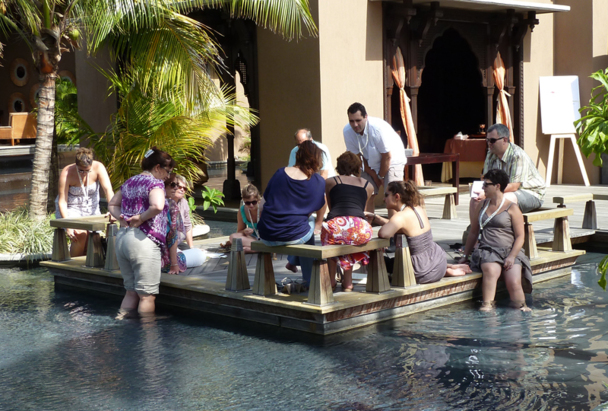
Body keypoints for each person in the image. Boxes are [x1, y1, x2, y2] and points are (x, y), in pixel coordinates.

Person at [108, 147, 176, 317]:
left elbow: (112, 205)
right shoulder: (155, 183)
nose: (168, 176)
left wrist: (122, 219)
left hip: (123, 239)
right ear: (157, 168)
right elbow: (158, 206)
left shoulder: (130, 181)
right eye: (167, 171)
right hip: (143, 241)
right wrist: (141, 218)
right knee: (147, 296)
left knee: (131, 292)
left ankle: (120, 325)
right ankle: (148, 340)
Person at [368, 181, 471, 284]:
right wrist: (376, 218)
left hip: (421, 270)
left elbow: (383, 233)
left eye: (386, 195)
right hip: (439, 260)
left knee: (382, 262)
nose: (383, 199)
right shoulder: (417, 208)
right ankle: (447, 269)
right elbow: (400, 226)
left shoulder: (400, 216)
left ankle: (446, 271)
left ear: (397, 197)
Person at [459, 169, 532, 312]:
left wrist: (511, 256)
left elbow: (520, 236)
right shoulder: (482, 205)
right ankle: (487, 305)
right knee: (491, 272)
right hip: (488, 249)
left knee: (514, 281)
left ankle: (521, 307)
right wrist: (465, 256)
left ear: (497, 186)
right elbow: (473, 232)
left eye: (486, 185)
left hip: (509, 250)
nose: (482, 188)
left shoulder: (512, 208)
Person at [258, 140, 326, 287]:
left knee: (302, 226)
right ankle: (310, 281)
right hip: (293, 235)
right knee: (311, 223)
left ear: (298, 155)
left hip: (267, 234)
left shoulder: (280, 173)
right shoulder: (318, 181)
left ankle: (293, 261)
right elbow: (318, 205)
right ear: (317, 159)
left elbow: (262, 206)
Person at [321, 151, 374, 292]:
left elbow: (332, 209)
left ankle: (331, 280)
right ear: (358, 167)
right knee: (349, 237)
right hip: (361, 227)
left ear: (339, 166)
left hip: (338, 224)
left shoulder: (331, 182)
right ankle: (348, 282)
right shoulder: (368, 185)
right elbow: (360, 210)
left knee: (332, 240)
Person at [343, 102, 407, 217]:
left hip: (393, 160)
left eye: (358, 120)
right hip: (370, 162)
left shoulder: (377, 129)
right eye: (351, 121)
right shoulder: (347, 131)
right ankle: (366, 226)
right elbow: (358, 158)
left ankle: (395, 229)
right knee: (365, 192)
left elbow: (387, 156)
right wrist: (374, 176)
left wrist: (380, 177)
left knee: (392, 195)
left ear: (366, 117)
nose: (355, 124)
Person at [472, 123, 546, 214]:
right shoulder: (490, 153)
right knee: (475, 199)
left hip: (531, 193)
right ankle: (475, 228)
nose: (489, 144)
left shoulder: (517, 155)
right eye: (487, 140)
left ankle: (495, 228)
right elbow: (486, 179)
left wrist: (490, 193)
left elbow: (514, 186)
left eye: (492, 140)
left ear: (504, 140)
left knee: (501, 200)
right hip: (502, 190)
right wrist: (483, 191)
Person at [55, 147, 114, 257]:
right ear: (76, 165)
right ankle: (74, 266)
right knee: (80, 234)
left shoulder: (98, 167)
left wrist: (112, 210)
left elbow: (108, 190)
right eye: (81, 170)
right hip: (70, 208)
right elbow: (62, 201)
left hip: (91, 207)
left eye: (87, 170)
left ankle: (91, 264)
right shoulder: (67, 172)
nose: (84, 174)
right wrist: (68, 225)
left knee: (94, 235)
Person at [164, 173, 206, 271]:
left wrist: (191, 247)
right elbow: (170, 234)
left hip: (179, 243)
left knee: (199, 253)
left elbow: (188, 226)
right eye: (179, 186)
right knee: (199, 256)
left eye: (185, 188)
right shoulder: (164, 203)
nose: (182, 190)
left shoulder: (183, 202)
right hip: (166, 246)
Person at [227, 184, 264, 253]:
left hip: (267, 238)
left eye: (254, 202)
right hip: (253, 238)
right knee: (233, 237)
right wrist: (244, 232)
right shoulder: (242, 211)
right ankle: (258, 248)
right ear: (243, 200)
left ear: (258, 199)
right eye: (247, 203)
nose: (251, 205)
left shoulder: (264, 209)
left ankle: (255, 249)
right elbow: (240, 231)